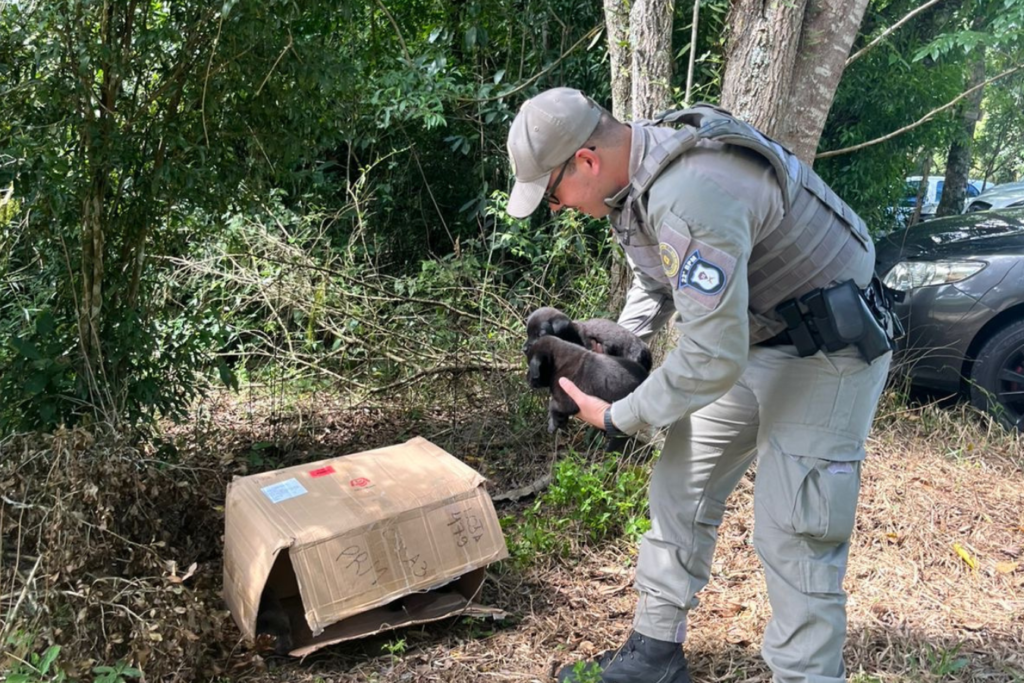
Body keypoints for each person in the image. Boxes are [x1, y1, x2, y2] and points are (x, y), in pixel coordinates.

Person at [505, 87, 894, 683]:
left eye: (552, 193)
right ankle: (654, 656)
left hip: (829, 350)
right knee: (680, 488)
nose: (554, 208)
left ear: (585, 160)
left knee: (795, 528)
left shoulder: (691, 192)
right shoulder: (635, 181)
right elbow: (656, 279)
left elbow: (712, 357)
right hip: (754, 335)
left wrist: (619, 415)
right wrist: (610, 349)